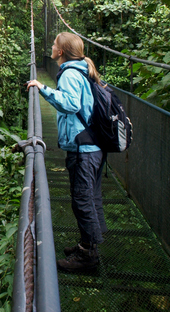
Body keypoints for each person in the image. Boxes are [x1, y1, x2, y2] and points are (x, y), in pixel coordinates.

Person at [26, 32, 107, 271]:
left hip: (85, 149)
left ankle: (88, 256)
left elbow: (71, 104)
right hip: (92, 146)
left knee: (82, 201)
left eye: (53, 45)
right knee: (90, 198)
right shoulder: (82, 69)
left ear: (60, 52)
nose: (51, 47)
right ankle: (87, 244)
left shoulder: (71, 73)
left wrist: (43, 88)